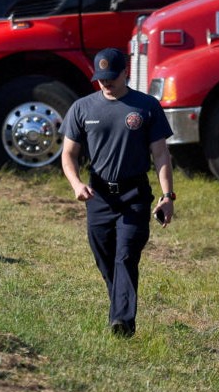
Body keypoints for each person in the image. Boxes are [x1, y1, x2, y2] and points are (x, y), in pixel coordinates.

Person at [60, 47, 175, 338]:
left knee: (125, 255)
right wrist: (76, 184)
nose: (106, 83)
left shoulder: (146, 106)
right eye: (101, 78)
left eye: (111, 77)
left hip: (134, 196)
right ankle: (120, 308)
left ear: (126, 72)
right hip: (98, 196)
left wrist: (167, 196)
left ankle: (122, 322)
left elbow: (161, 154)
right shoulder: (82, 108)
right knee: (106, 259)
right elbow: (68, 154)